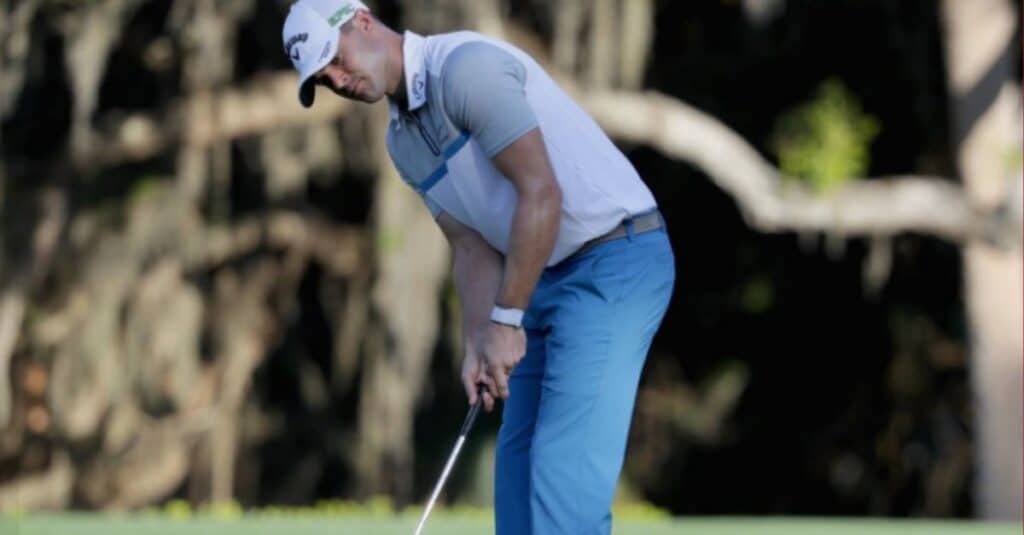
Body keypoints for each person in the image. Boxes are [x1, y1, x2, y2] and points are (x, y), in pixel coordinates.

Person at [282, 1, 675, 533]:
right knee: (515, 473)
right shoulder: (402, 142)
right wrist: (477, 343)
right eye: (322, 79)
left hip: (615, 257)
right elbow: (470, 246)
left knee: (562, 474)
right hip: (541, 276)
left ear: (363, 21)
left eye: (334, 58)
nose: (337, 79)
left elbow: (541, 192)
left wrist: (507, 319)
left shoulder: (465, 70)